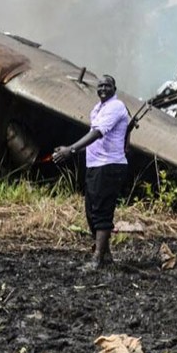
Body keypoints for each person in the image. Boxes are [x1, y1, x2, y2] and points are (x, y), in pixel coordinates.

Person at [53, 75, 130, 270]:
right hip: (95, 165)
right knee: (91, 211)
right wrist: (70, 149)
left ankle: (96, 259)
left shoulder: (115, 107)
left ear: (115, 88)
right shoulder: (97, 108)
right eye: (100, 85)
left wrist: (70, 150)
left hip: (109, 165)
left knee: (102, 211)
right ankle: (106, 256)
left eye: (107, 85)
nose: (103, 88)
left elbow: (97, 133)